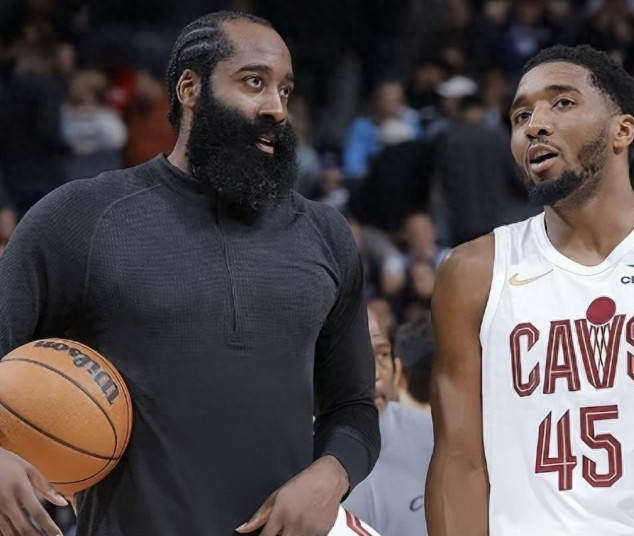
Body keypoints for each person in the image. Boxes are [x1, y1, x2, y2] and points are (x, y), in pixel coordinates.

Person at [0, 11, 380, 536]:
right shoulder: (82, 217)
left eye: (285, 90)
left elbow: (354, 407)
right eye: (254, 82)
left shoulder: (326, 234)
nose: (276, 108)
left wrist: (331, 475)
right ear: (190, 89)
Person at [426, 44, 634, 535]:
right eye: (520, 115)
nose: (534, 125)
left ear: (622, 130)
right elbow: (459, 460)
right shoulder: (473, 272)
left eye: (561, 103)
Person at [344, 307, 433, 536]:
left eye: (382, 355)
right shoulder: (295, 459)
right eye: (355, 356)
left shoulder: (434, 439)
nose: (375, 374)